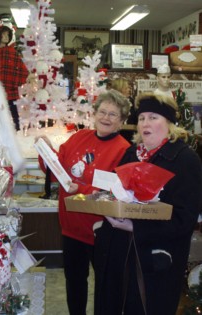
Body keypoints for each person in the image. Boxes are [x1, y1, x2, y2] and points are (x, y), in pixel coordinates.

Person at [94, 92, 202, 315]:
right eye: (142, 118)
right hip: (119, 255)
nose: (145, 123)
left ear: (169, 124)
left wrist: (137, 227)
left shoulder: (185, 160)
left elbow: (185, 219)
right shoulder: (132, 153)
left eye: (154, 117)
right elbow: (119, 193)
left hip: (155, 263)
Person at [36, 90, 131, 315]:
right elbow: (56, 171)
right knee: (75, 284)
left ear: (122, 121)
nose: (106, 118)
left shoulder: (124, 150)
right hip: (71, 228)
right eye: (103, 112)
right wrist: (45, 151)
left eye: (113, 114)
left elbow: (116, 193)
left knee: (105, 289)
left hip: (102, 231)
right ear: (94, 113)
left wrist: (81, 189)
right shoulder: (79, 138)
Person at [0, 24, 29, 131]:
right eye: (3, 35)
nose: (6, 37)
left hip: (10, 88)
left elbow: (22, 68)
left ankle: (17, 129)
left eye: (7, 35)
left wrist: (18, 81)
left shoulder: (12, 52)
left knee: (13, 110)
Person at [109, 78, 137, 143]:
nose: (129, 90)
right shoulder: (111, 103)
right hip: (114, 137)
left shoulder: (132, 102)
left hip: (130, 138)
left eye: (129, 88)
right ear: (120, 89)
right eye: (126, 88)